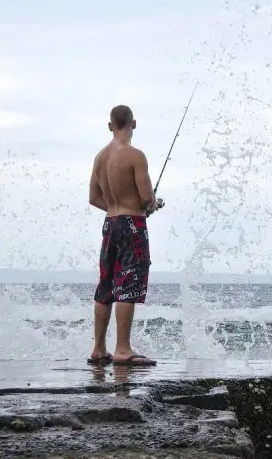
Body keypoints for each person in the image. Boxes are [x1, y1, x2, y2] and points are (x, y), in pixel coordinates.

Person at [86, 104, 159, 367]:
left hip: (110, 224)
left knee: (106, 285)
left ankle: (98, 349)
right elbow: (147, 198)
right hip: (132, 224)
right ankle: (123, 349)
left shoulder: (99, 158)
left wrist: (117, 211)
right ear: (134, 124)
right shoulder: (135, 156)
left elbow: (94, 198)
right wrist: (150, 206)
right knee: (128, 283)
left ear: (110, 126)